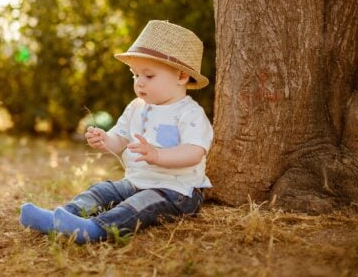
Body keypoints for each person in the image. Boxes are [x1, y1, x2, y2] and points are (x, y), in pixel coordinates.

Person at [19, 20, 213, 244]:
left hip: (176, 191)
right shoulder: (136, 107)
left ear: (181, 76)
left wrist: (158, 156)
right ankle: (63, 215)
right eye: (134, 75)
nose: (139, 83)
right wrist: (105, 140)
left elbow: (194, 152)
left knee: (138, 205)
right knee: (103, 190)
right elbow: (119, 138)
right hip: (135, 181)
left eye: (148, 76)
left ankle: (94, 229)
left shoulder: (189, 113)